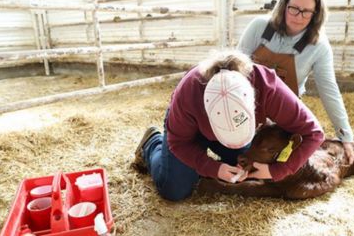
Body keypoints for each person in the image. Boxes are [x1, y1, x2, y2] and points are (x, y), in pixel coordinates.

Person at [132, 50, 325, 201]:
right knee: (175, 190)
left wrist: (277, 171)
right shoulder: (188, 94)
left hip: (239, 133)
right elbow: (179, 143)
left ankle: (230, 144)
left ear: (253, 102)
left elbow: (314, 133)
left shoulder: (268, 87)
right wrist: (211, 167)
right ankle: (152, 143)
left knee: (245, 168)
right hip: (190, 132)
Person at [237, 0, 354, 164]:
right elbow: (236, 70)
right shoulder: (259, 26)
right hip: (248, 105)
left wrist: (346, 135)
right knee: (237, 155)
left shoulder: (319, 46)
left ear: (316, 14)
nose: (298, 16)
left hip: (284, 111)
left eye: (307, 11)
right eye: (293, 8)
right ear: (284, 5)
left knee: (284, 159)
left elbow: (329, 90)